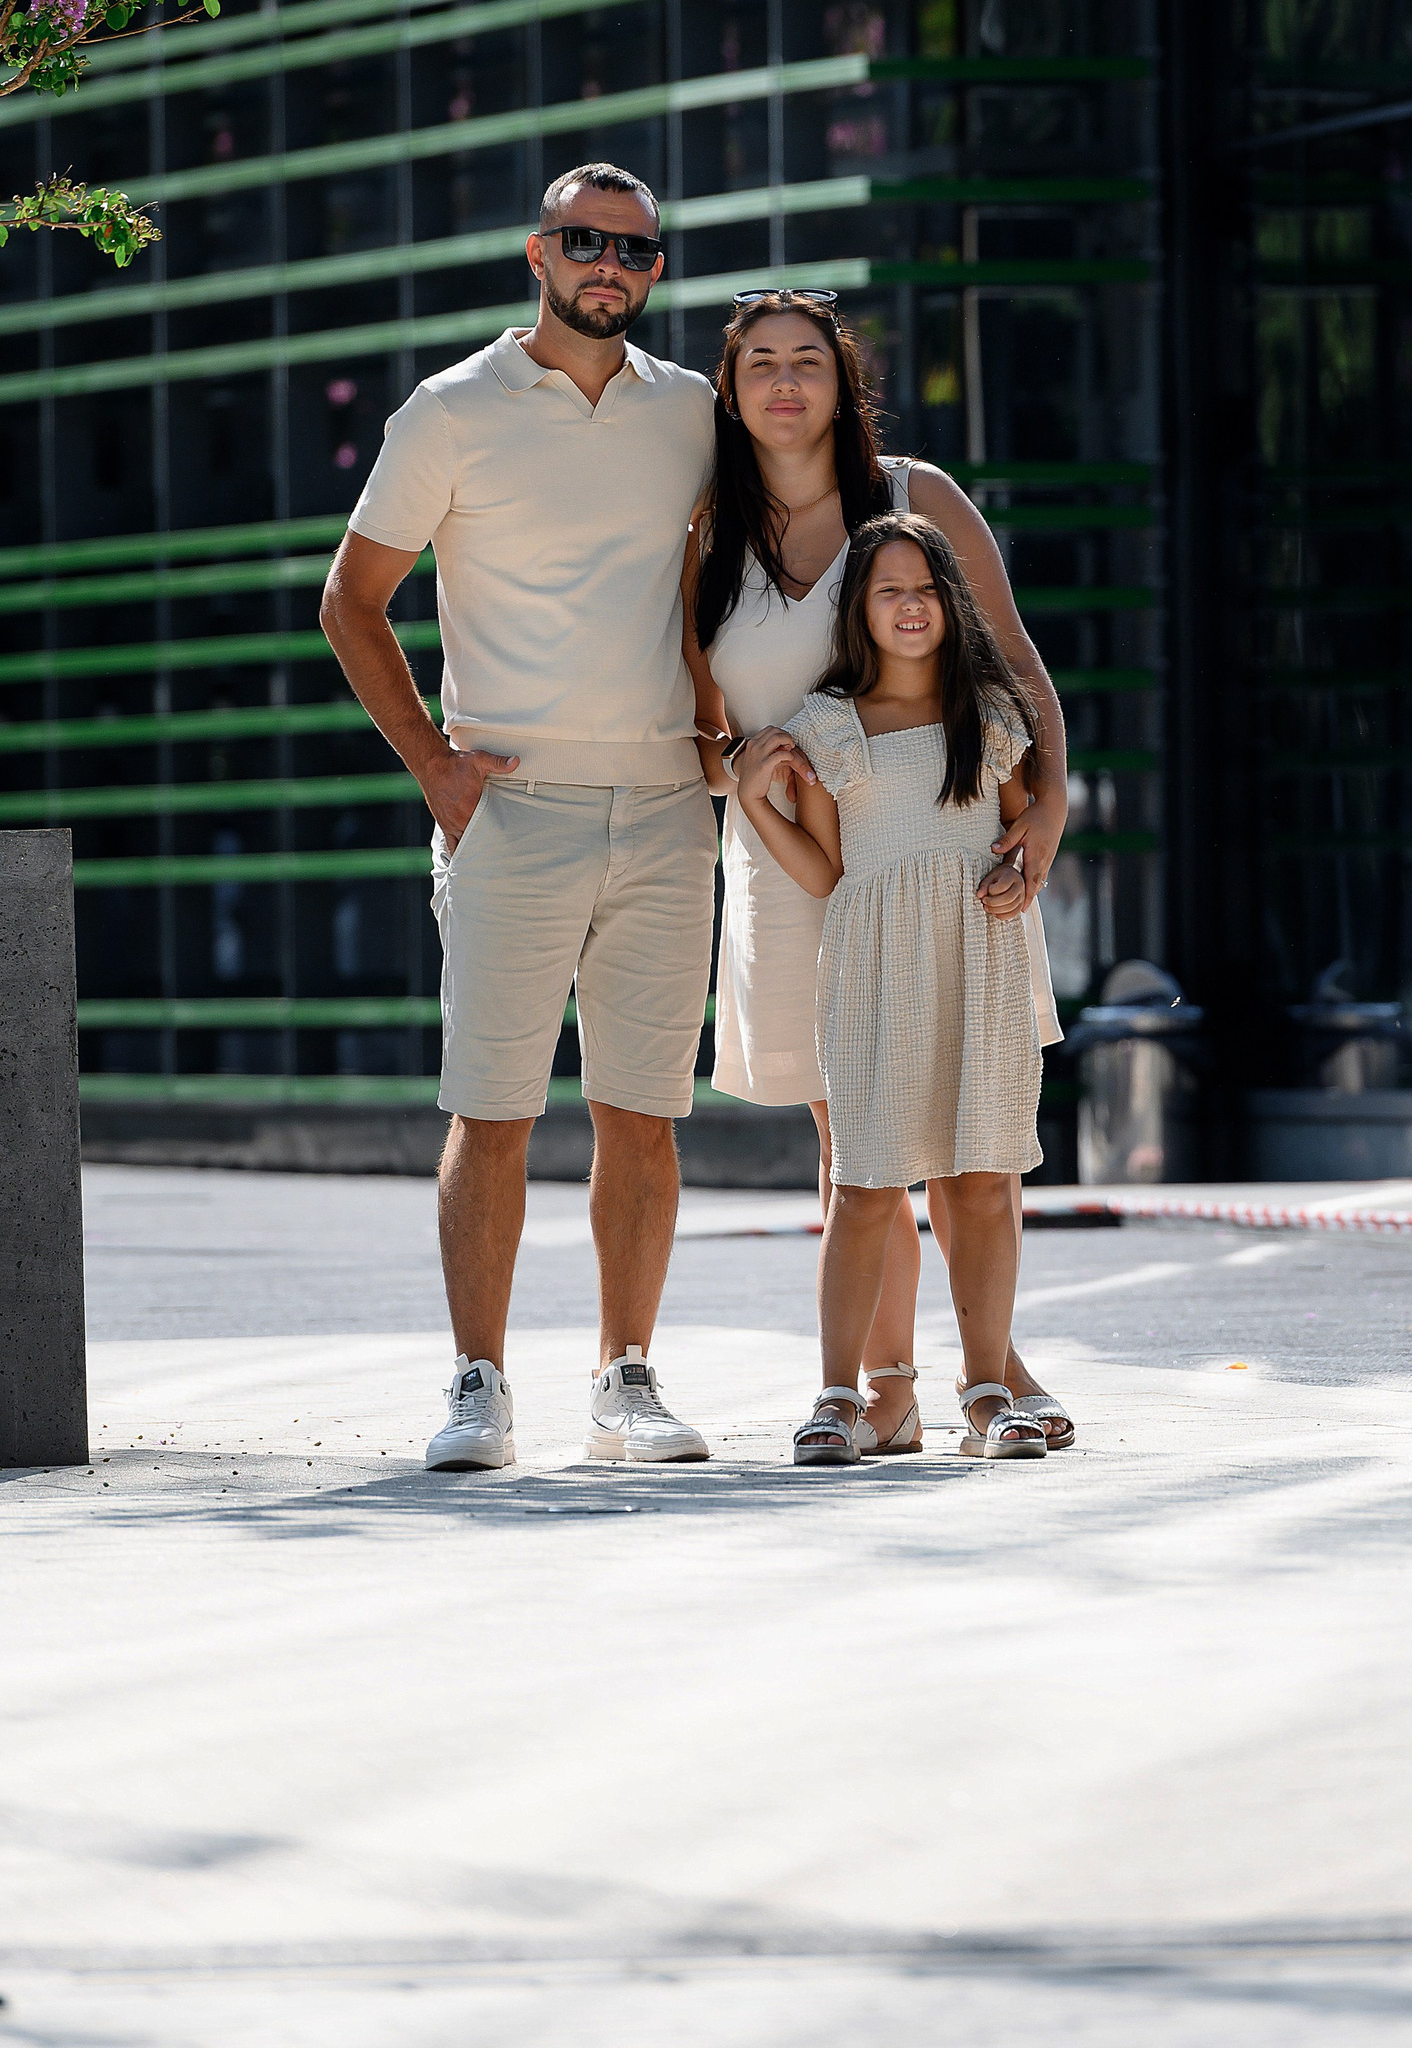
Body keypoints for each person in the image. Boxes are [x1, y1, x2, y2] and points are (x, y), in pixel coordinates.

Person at [319, 164, 718, 1474]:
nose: (611, 265)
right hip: (512, 809)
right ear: (536, 254)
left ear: (655, 272)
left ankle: (625, 1379)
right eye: (586, 241)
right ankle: (479, 1384)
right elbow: (351, 601)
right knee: (493, 1110)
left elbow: (727, 575)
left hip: (668, 806)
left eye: (636, 250)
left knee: (641, 1114)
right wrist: (433, 766)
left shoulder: (693, 411)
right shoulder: (450, 410)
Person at [685, 287, 1075, 1450]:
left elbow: (1015, 667)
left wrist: (1050, 813)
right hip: (797, 861)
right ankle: (887, 1386)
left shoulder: (916, 498)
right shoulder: (704, 530)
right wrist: (736, 769)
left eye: (809, 360)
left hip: (951, 847)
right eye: (760, 362)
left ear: (844, 380)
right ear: (729, 390)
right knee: (853, 1139)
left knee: (973, 1122)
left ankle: (992, 1374)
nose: (785, 382)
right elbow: (698, 725)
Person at [733, 514, 1061, 1463]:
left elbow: (1018, 839)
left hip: (977, 964)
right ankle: (842, 1394)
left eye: (925, 589)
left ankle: (989, 1392)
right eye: (888, 591)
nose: (910, 606)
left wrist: (1017, 879)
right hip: (875, 973)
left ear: (951, 603)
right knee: (865, 1182)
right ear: (860, 612)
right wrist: (755, 801)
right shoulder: (828, 727)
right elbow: (828, 872)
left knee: (982, 1179)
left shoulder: (987, 717)